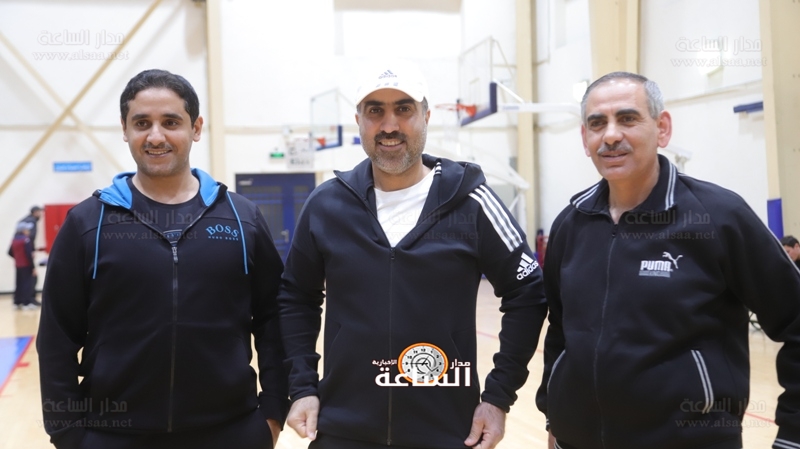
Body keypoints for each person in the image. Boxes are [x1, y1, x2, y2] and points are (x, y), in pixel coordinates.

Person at [278, 60, 547, 449]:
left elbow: (528, 292)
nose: (389, 125)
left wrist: (498, 397)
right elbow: (295, 297)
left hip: (447, 431)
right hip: (342, 430)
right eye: (375, 111)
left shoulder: (471, 202)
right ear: (359, 121)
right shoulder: (326, 206)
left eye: (403, 109)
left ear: (426, 116)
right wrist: (302, 387)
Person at [536, 72, 800, 449]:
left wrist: (793, 437)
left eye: (627, 118)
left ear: (662, 129)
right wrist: (554, 416)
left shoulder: (718, 217)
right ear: (584, 138)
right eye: (597, 123)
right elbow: (561, 330)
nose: (610, 135)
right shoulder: (571, 223)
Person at [37, 69, 288, 449]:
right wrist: (67, 433)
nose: (156, 136)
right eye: (142, 123)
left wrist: (272, 413)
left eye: (171, 122)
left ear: (196, 128)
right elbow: (56, 337)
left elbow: (273, 320)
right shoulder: (88, 223)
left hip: (231, 432)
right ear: (125, 129)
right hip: (111, 434)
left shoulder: (242, 218)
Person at [8, 221, 37, 310]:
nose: (28, 231)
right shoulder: (26, 240)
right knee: (27, 283)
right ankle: (26, 303)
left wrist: (18, 257)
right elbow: (29, 255)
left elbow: (10, 252)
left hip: (18, 265)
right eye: (27, 229)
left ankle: (17, 302)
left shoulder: (14, 240)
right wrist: (33, 267)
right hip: (26, 265)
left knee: (19, 283)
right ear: (23, 230)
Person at [18, 205, 43, 303]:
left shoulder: (23, 220)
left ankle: (20, 300)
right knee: (32, 276)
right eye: (39, 212)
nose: (40, 214)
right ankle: (30, 300)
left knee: (22, 279)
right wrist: (31, 250)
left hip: (20, 255)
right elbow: (30, 238)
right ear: (35, 212)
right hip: (26, 253)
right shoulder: (31, 221)